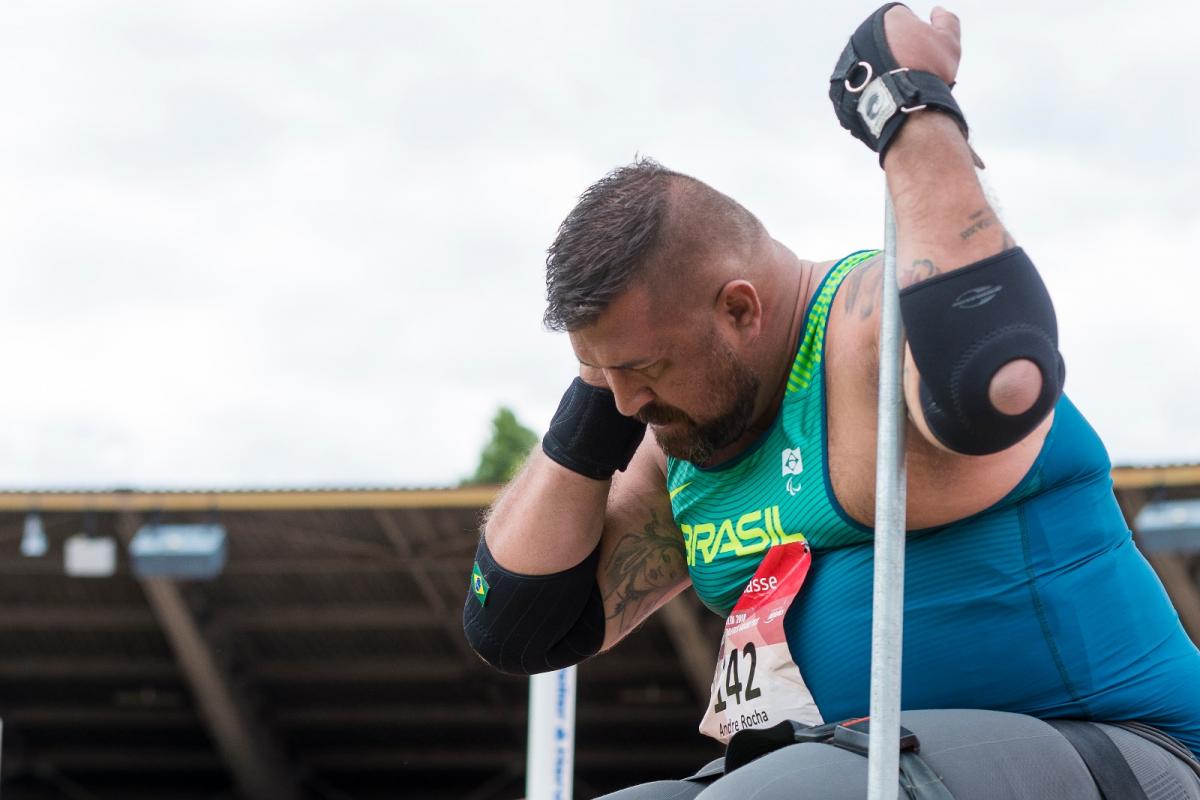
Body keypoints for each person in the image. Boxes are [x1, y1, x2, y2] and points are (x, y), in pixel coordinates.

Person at [463, 4, 1200, 797]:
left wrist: (911, 111)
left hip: (1114, 746)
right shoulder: (681, 436)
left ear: (741, 310)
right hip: (839, 762)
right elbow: (519, 624)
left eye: (645, 366)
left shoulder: (867, 329)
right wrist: (602, 381)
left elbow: (1003, 380)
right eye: (603, 376)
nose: (629, 400)